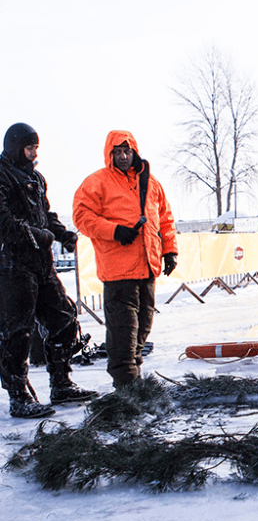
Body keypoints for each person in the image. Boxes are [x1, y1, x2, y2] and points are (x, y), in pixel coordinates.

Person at [0, 123, 98, 418]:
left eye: (35, 148)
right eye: (29, 148)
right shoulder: (2, 175)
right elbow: (3, 221)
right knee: (17, 333)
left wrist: (62, 233)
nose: (33, 153)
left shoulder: (36, 178)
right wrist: (34, 234)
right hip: (13, 266)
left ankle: (61, 382)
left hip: (42, 265)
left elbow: (45, 215)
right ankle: (19, 395)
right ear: (16, 146)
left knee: (65, 319)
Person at [73, 131, 178, 388]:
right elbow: (82, 216)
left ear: (134, 152)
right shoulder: (97, 182)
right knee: (123, 336)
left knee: (141, 331)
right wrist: (115, 231)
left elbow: (165, 220)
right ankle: (127, 389)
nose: (122, 156)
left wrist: (170, 250)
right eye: (117, 152)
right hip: (119, 273)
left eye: (126, 151)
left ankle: (134, 384)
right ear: (109, 154)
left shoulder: (151, 184)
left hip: (147, 270)